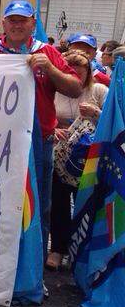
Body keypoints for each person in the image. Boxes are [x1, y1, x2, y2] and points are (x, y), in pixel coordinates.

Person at [0, 0, 83, 265]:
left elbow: (75, 88)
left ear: (33, 24)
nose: (17, 25)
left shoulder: (47, 52)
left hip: (40, 143)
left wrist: (50, 69)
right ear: (3, 23)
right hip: (0, 145)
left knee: (38, 204)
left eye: (22, 20)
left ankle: (33, 268)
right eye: (12, 20)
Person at [50, 50, 108, 271]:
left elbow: (115, 119)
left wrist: (96, 112)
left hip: (91, 158)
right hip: (61, 156)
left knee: (88, 202)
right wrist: (54, 129)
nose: (75, 77)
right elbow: (42, 116)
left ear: (89, 73)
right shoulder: (54, 90)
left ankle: (83, 250)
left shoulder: (99, 91)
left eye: (80, 74)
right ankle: (57, 248)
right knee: (59, 203)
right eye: (70, 72)